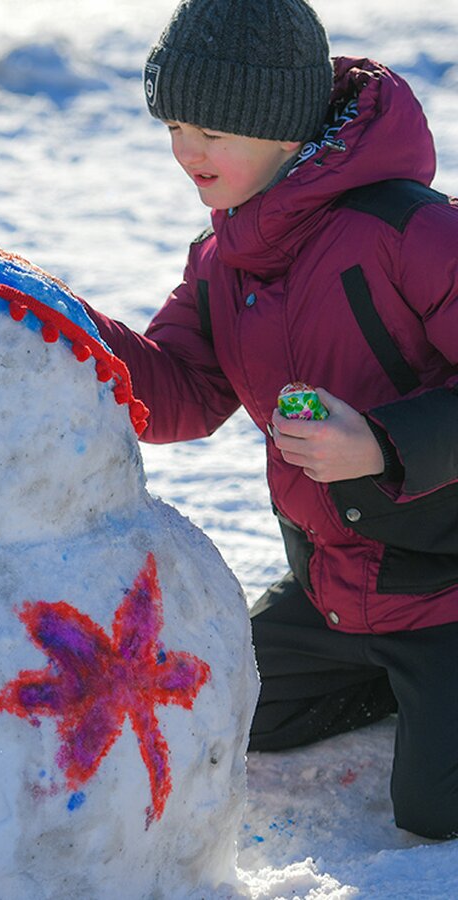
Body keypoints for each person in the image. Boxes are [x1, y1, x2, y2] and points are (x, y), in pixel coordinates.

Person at [79, 0, 458, 839]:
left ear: (282, 125)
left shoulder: (413, 231)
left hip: (446, 581)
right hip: (340, 588)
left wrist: (384, 443)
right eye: (174, 124)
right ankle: (404, 686)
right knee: (230, 715)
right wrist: (64, 327)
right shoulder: (224, 258)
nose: (187, 151)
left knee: (437, 810)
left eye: (214, 129)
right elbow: (178, 392)